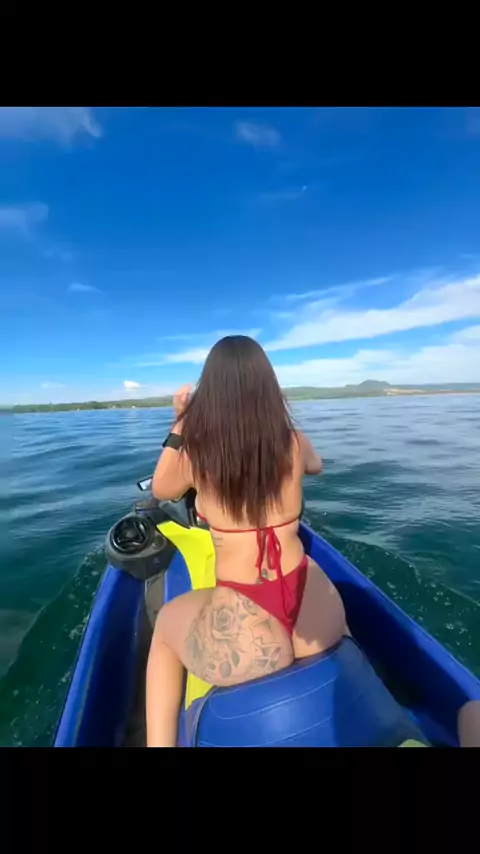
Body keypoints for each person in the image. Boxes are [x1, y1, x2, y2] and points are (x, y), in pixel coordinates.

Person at [146, 335, 348, 747]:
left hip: (245, 627)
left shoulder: (198, 453)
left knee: (165, 628)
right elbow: (317, 466)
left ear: (210, 395)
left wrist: (180, 424)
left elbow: (162, 489)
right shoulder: (294, 441)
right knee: (315, 569)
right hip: (318, 612)